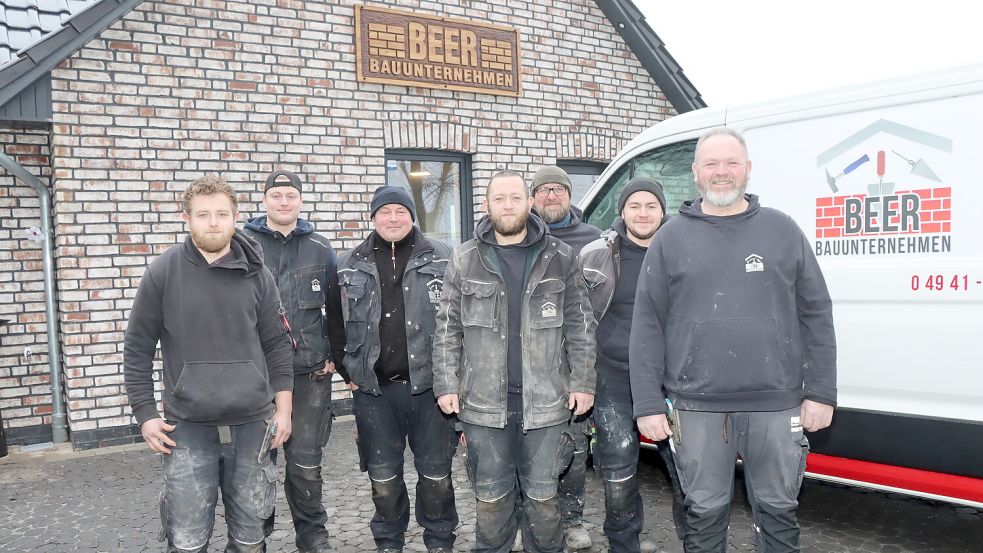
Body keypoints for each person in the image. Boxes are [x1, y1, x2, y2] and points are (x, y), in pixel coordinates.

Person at [630, 127, 837, 552]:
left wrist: (821, 391)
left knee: (779, 512)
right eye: (711, 164)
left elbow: (817, 313)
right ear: (695, 173)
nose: (721, 172)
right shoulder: (670, 238)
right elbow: (647, 325)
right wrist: (648, 403)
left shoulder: (782, 230)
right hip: (697, 407)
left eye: (731, 163)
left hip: (778, 406)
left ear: (747, 170)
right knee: (703, 516)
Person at [123, 175, 294, 553]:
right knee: (186, 539)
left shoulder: (258, 274)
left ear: (235, 217)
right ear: (187, 218)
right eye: (203, 214)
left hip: (253, 423)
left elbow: (277, 345)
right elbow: (137, 347)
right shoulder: (163, 272)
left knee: (250, 538)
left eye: (221, 214)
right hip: (186, 425)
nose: (213, 222)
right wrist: (145, 414)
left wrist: (284, 409)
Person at [432, 170, 596, 553]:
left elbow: (582, 326)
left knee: (543, 503)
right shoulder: (464, 258)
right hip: (484, 405)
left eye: (515, 198)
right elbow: (446, 328)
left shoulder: (560, 258)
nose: (508, 205)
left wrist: (584, 382)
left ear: (530, 203)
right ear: (487, 206)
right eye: (499, 199)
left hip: (547, 404)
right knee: (491, 502)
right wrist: (446, 383)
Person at [337, 186, 458, 553]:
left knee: (436, 476)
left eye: (400, 211)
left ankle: (439, 541)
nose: (393, 218)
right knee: (384, 478)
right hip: (374, 392)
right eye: (385, 211)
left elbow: (460, 322)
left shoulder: (443, 257)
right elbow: (332, 324)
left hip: (430, 390)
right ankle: (389, 542)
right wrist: (349, 374)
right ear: (373, 217)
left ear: (412, 215)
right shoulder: (348, 262)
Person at [243, 170, 346, 553]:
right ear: (265, 199)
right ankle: (255, 538)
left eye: (290, 195)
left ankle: (313, 541)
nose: (283, 202)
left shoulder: (320, 246)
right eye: (276, 195)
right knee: (256, 465)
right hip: (257, 376)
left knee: (305, 467)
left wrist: (336, 355)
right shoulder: (244, 243)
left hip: (310, 375)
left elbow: (335, 308)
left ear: (300, 200)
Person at [579, 178, 673, 553]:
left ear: (663, 211)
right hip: (613, 375)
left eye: (651, 205)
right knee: (618, 467)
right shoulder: (595, 254)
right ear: (622, 211)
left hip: (671, 379)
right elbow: (578, 319)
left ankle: (695, 540)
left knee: (686, 468)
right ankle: (624, 542)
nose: (643, 212)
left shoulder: (680, 250)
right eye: (635, 205)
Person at [528, 165, 602, 551]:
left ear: (570, 195)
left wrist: (584, 372)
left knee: (572, 447)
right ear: (533, 197)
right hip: (528, 365)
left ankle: (572, 519)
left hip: (570, 362)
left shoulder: (592, 240)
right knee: (528, 449)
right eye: (544, 190)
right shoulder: (520, 237)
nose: (552, 195)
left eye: (559, 189)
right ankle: (531, 519)